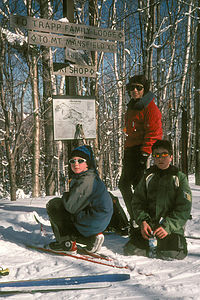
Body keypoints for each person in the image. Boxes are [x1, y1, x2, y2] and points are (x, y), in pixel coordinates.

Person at [124, 139, 192, 260]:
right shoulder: (148, 176)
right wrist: (143, 222)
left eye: (164, 154)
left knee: (173, 253)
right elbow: (137, 202)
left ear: (171, 157)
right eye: (157, 155)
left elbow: (184, 208)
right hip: (150, 228)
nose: (160, 158)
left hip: (170, 229)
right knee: (131, 250)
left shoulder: (179, 177)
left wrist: (167, 227)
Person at [46, 145, 113, 254]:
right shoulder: (89, 176)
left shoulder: (86, 181)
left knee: (55, 205)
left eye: (80, 160)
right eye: (72, 161)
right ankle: (90, 240)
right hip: (98, 220)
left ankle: (66, 243)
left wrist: (66, 196)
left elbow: (71, 207)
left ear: (87, 163)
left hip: (93, 220)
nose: (75, 164)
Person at [118, 74, 163, 220]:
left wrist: (144, 154)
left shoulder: (150, 108)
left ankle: (143, 221)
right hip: (130, 150)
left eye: (139, 87)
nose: (135, 90)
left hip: (141, 151)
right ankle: (137, 218)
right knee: (124, 185)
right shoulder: (133, 106)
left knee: (138, 188)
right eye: (131, 88)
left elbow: (154, 133)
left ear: (145, 89)